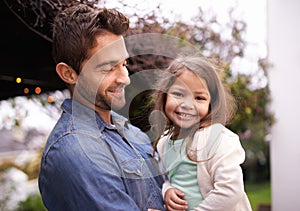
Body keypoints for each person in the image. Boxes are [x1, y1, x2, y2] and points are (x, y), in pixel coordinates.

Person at [38, 3, 165, 211]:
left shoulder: (131, 132)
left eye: (123, 64)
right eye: (108, 67)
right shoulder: (75, 151)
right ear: (69, 74)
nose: (125, 79)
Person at [151, 55, 252, 211]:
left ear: (211, 104)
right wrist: (167, 190)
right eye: (178, 94)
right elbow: (168, 179)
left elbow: (230, 191)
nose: (187, 104)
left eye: (199, 98)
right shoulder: (165, 142)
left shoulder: (218, 139)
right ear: (164, 96)